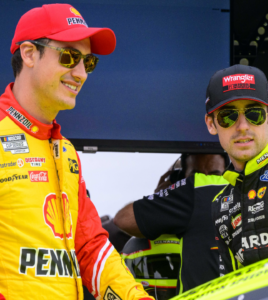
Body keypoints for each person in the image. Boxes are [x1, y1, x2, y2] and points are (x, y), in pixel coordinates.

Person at [0, 4, 154, 300]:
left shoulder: (66, 153)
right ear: (29, 54)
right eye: (69, 57)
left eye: (89, 62)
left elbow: (91, 249)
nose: (81, 73)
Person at [204, 64, 268, 275]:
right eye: (227, 116)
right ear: (211, 124)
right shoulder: (220, 206)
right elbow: (230, 286)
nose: (242, 126)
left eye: (254, 114)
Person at [114, 153, 230, 293]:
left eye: (215, 175)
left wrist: (164, 196)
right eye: (196, 174)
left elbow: (124, 219)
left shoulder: (193, 190)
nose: (205, 180)